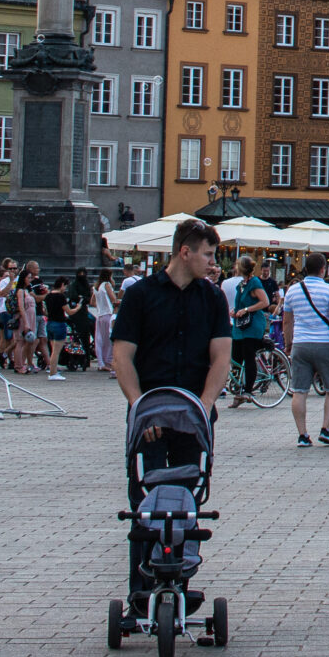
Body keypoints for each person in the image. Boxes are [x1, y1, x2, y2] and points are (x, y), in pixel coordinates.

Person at [108, 221, 232, 593]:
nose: (212, 263)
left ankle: (178, 582)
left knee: (187, 502)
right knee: (144, 506)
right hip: (150, 415)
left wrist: (204, 407)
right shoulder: (141, 295)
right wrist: (139, 407)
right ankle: (140, 593)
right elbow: (122, 358)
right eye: (208, 254)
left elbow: (221, 359)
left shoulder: (212, 298)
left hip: (192, 416)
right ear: (185, 252)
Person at [283, 253, 329, 446]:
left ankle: (302, 435)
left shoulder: (292, 291)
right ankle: (326, 429)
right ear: (322, 269)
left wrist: (288, 343)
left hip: (301, 344)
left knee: (299, 391)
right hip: (325, 344)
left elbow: (287, 321)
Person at [229, 256, 275, 405]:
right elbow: (241, 303)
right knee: (236, 357)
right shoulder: (242, 284)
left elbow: (265, 302)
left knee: (248, 356)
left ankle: (248, 390)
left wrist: (247, 309)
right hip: (240, 325)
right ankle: (238, 391)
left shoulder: (254, 282)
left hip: (252, 325)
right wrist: (235, 310)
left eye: (237, 265)